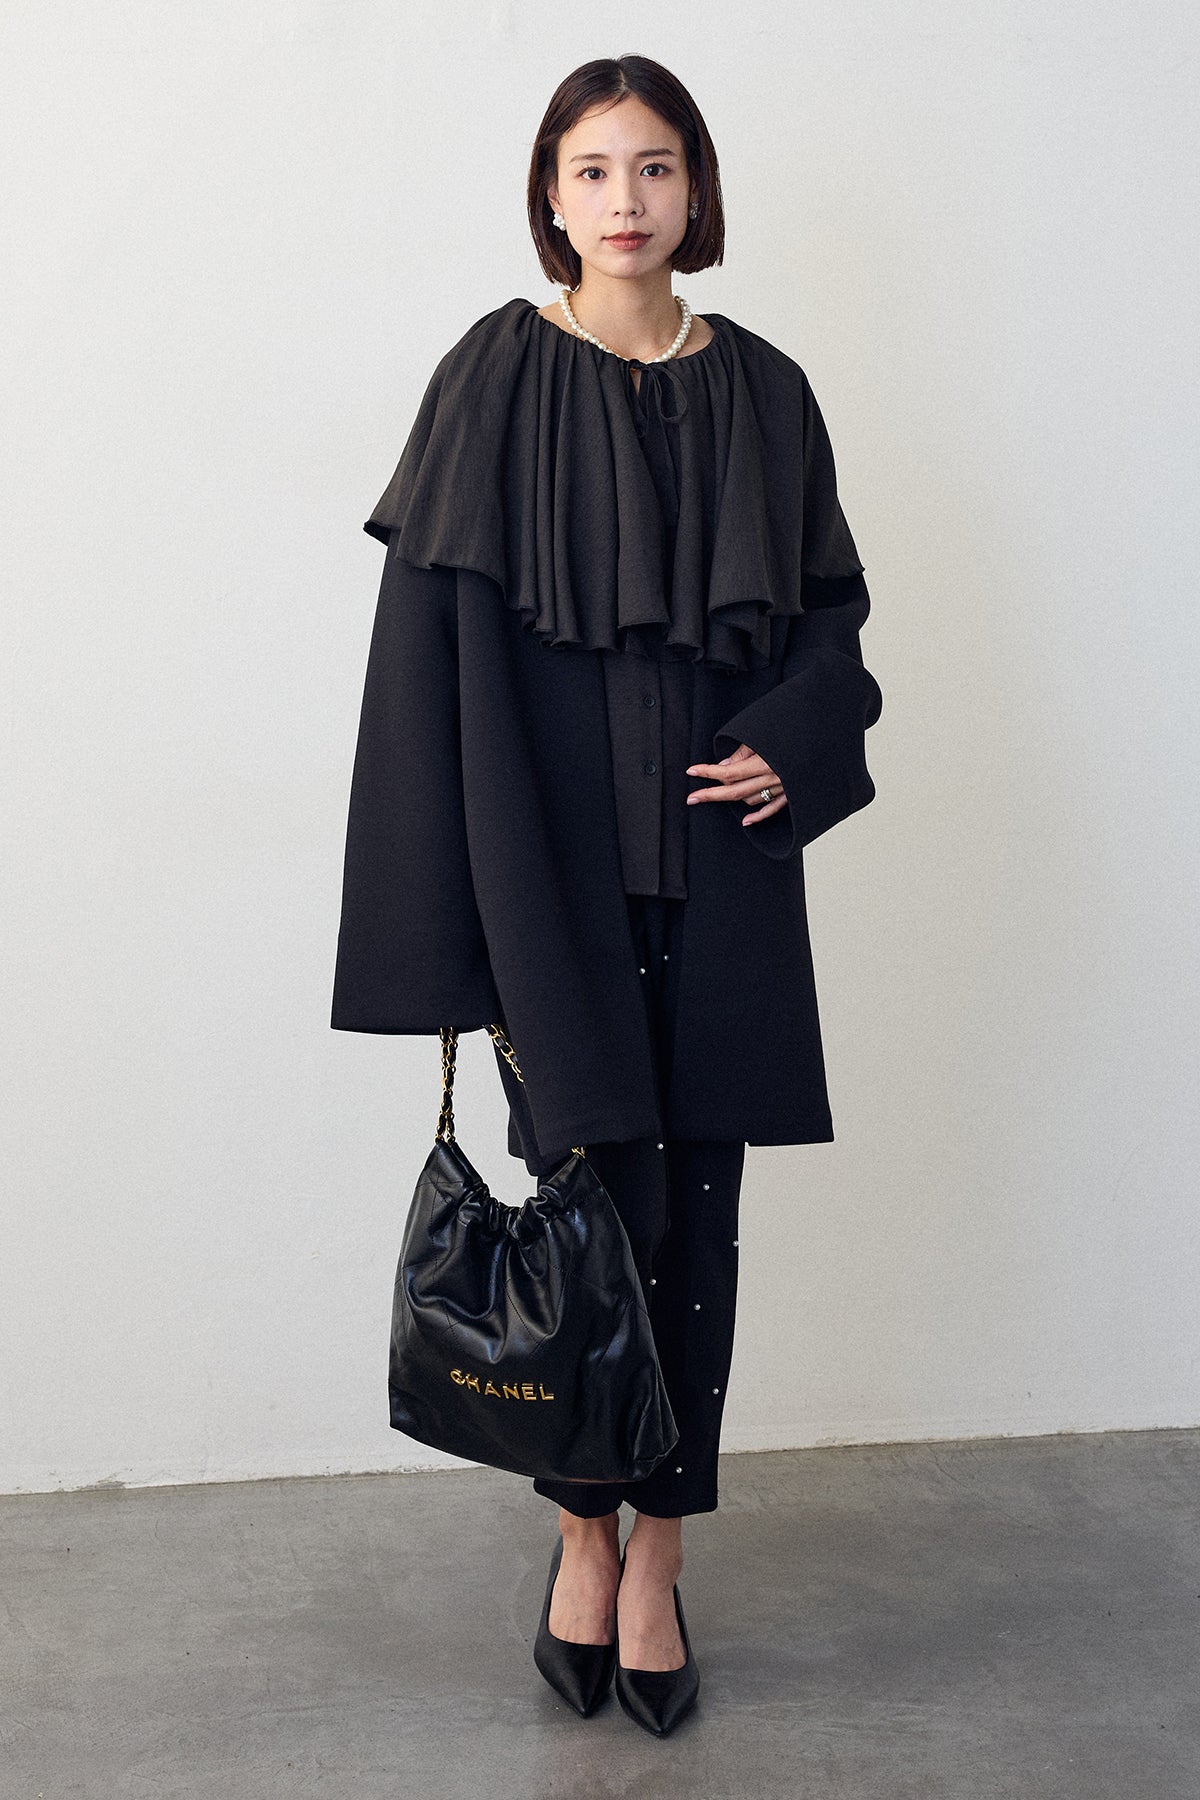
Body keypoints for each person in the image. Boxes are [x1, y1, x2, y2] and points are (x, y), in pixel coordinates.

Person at [331, 53, 883, 1736]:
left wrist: (796, 745)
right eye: (592, 169)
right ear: (550, 195)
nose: (625, 198)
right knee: (592, 1219)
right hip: (545, 887)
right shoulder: (491, 375)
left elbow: (833, 626)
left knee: (698, 1229)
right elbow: (418, 669)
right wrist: (441, 929)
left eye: (654, 166)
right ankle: (583, 1534)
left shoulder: (770, 392)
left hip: (718, 882)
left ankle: (660, 1561)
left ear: (695, 189)